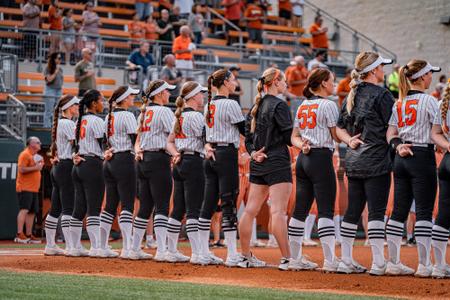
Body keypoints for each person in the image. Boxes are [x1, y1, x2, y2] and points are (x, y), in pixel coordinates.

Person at [336, 52, 394, 275]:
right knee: (376, 212)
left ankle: (346, 261)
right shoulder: (382, 95)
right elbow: (392, 128)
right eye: (381, 67)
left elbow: (338, 129)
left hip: (353, 161)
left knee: (353, 211)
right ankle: (379, 263)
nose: (383, 71)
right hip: (376, 160)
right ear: (372, 71)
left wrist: (349, 140)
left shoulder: (352, 94)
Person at [386, 60, 441, 277]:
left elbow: (390, 134)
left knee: (399, 210)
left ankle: (393, 262)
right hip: (422, 156)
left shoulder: (398, 102)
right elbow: (437, 133)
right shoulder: (430, 101)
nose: (431, 78)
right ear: (420, 77)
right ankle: (424, 264)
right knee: (424, 211)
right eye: (429, 74)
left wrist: (398, 146)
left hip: (401, 157)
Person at [237, 67, 293, 270]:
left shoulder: (256, 106)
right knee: (279, 212)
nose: (286, 84)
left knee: (250, 210)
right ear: (276, 81)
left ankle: (244, 256)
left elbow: (248, 140)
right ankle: (288, 258)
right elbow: (288, 138)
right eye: (284, 81)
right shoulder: (279, 105)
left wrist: (253, 154)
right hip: (277, 162)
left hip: (259, 162)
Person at [288, 68, 340, 271]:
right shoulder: (328, 105)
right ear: (324, 84)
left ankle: (295, 258)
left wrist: (303, 146)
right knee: (326, 209)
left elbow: (294, 137)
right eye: (332, 81)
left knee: (300, 209)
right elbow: (336, 136)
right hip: (320, 158)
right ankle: (330, 260)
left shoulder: (302, 105)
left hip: (304, 158)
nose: (334, 84)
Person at [198, 69, 245, 266]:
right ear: (225, 82)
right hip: (226, 154)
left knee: (208, 204)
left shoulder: (209, 104)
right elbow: (244, 130)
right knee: (228, 203)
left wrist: (208, 145)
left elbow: (203, 133)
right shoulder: (231, 103)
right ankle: (232, 254)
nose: (235, 82)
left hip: (210, 155)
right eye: (232, 79)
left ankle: (201, 252)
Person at [132, 80, 176, 262]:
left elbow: (137, 140)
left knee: (145, 206)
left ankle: (134, 248)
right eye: (166, 91)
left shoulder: (144, 112)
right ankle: (162, 250)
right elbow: (176, 135)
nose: (169, 94)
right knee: (162, 205)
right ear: (158, 94)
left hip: (143, 160)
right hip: (159, 159)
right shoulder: (164, 111)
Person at [166, 81, 208, 264]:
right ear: (192, 96)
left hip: (180, 162)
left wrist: (176, 154)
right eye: (200, 93)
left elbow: (169, 142)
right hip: (193, 162)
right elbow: (208, 140)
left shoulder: (179, 116)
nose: (203, 96)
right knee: (193, 209)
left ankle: (171, 250)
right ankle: (198, 254)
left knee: (178, 208)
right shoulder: (197, 117)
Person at [98, 86, 139, 259]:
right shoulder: (128, 115)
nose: (133, 98)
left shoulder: (109, 116)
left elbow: (104, 141)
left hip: (110, 161)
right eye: (130, 96)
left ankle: (101, 246)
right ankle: (128, 247)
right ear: (123, 99)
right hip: (124, 160)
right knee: (127, 204)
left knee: (110, 206)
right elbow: (134, 139)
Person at [67, 89, 105, 257]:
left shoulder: (79, 121)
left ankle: (73, 247)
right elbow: (103, 144)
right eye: (101, 100)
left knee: (79, 208)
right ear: (94, 103)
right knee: (94, 207)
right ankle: (96, 247)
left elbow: (74, 146)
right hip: (92, 164)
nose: (103, 103)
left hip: (79, 164)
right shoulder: (96, 120)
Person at [44, 95, 80, 255]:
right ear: (69, 107)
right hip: (65, 166)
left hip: (58, 167)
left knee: (56, 208)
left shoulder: (61, 123)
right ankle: (70, 246)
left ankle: (50, 245)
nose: (78, 107)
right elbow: (77, 144)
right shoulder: (67, 123)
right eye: (76, 105)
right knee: (68, 207)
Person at [430, 81, 450, 278]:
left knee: (443, 214)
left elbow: (434, 133)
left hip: (446, 161)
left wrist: (448, 145)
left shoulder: (444, 102)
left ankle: (439, 265)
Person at [15, 137, 43, 244]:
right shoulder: (25, 154)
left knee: (32, 212)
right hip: (24, 187)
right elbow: (21, 169)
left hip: (34, 189)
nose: (40, 143)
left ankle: (28, 234)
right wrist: (36, 168)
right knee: (24, 210)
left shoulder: (35, 156)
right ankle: (19, 234)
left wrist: (37, 166)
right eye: (37, 142)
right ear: (31, 144)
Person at [43, 52, 63, 128]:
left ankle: (56, 128)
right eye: (59, 58)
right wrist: (55, 71)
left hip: (58, 90)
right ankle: (47, 128)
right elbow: (49, 79)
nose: (60, 60)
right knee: (49, 111)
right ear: (54, 59)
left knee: (57, 111)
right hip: (50, 90)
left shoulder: (60, 68)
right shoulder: (48, 68)